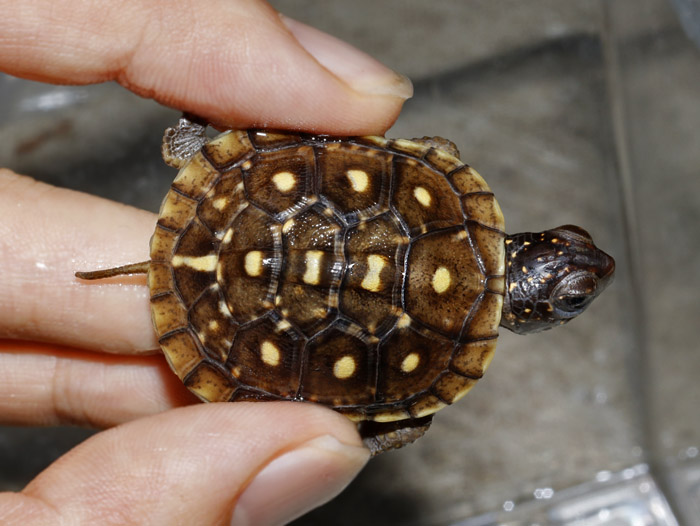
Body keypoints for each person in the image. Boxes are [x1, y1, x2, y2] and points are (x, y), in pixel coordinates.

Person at [0, 1, 412, 524]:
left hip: (249, 212)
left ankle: (193, 151)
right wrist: (371, 432)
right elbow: (403, 423)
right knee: (392, 420)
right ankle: (193, 149)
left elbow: (422, 155)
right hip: (236, 319)